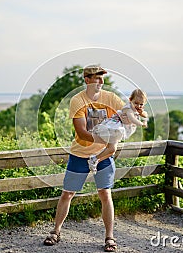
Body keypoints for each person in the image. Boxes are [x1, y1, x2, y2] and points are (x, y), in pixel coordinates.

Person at [43, 65, 124, 252]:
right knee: (67, 194)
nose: (101, 82)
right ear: (87, 80)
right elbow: (82, 131)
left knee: (105, 194)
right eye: (97, 78)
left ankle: (109, 237)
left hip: (103, 156)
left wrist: (134, 114)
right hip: (79, 154)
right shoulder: (77, 100)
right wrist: (106, 138)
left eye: (102, 78)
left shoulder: (111, 98)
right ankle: (56, 232)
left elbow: (126, 113)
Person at [88, 89, 149, 174]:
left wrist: (143, 114)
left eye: (141, 104)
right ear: (130, 99)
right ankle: (94, 159)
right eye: (136, 103)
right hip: (115, 127)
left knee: (112, 149)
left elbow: (145, 115)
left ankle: (95, 160)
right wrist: (141, 123)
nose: (138, 106)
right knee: (111, 148)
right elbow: (132, 119)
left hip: (118, 129)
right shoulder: (128, 109)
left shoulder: (137, 109)